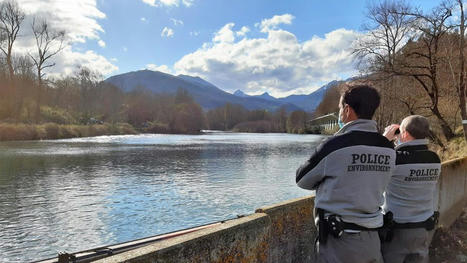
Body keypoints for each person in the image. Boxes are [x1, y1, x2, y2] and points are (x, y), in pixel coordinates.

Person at [296, 85, 396, 263]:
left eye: (340, 108)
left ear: (347, 110)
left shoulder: (335, 145)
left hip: (339, 241)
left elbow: (302, 179)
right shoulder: (389, 148)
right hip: (373, 238)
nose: (339, 112)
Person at [381, 115, 441, 263]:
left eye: (400, 131)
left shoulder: (395, 159)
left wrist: (384, 140)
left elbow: (373, 174)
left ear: (405, 134)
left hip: (397, 230)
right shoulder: (434, 159)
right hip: (424, 228)